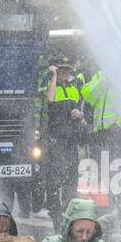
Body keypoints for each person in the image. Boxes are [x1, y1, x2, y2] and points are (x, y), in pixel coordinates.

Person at [42, 57, 87, 229]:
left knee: (71, 177)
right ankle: (55, 212)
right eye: (62, 70)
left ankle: (68, 210)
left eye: (67, 70)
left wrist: (79, 115)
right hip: (56, 141)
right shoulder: (52, 86)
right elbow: (50, 100)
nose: (65, 73)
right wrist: (53, 76)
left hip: (70, 140)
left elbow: (77, 110)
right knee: (55, 178)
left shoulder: (73, 89)